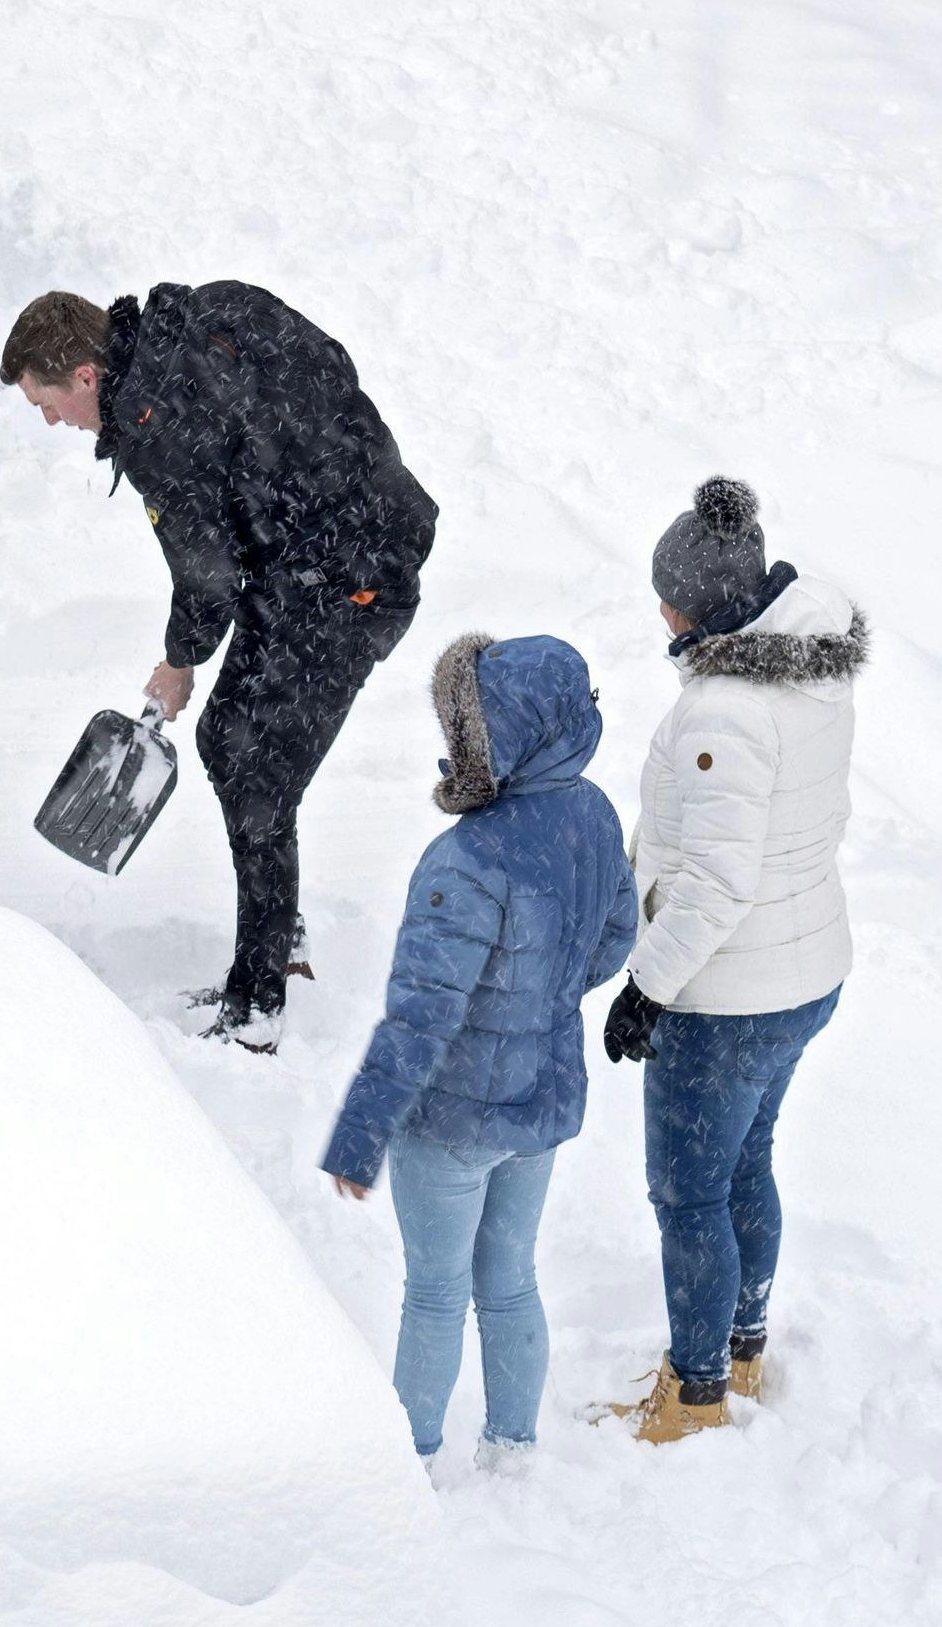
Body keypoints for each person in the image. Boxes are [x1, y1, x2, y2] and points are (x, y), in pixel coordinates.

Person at [2, 284, 439, 1050]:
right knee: (231, 741)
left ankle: (259, 1002)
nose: (50, 422)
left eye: (46, 403)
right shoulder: (207, 313)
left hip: (349, 577)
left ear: (86, 376)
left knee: (254, 767)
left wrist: (178, 662)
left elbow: (208, 575)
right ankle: (280, 941)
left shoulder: (153, 426)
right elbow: (326, 363)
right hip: (335, 539)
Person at [319, 634, 635, 1467]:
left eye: (471, 731)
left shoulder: (467, 857)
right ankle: (513, 1448)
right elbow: (616, 936)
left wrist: (361, 1135)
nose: (461, 747)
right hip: (539, 1105)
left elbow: (423, 1015)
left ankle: (413, 1463)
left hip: (454, 1117)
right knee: (511, 1280)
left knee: (433, 1294)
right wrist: (546, 997)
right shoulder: (595, 815)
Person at [596, 477, 864, 1444]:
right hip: (805, 971)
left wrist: (644, 987)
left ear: (704, 606)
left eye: (667, 596)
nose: (658, 609)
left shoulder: (724, 712)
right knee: (745, 1164)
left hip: (729, 994)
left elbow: (714, 883)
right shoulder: (809, 668)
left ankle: (695, 1398)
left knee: (690, 1194)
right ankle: (740, 1352)